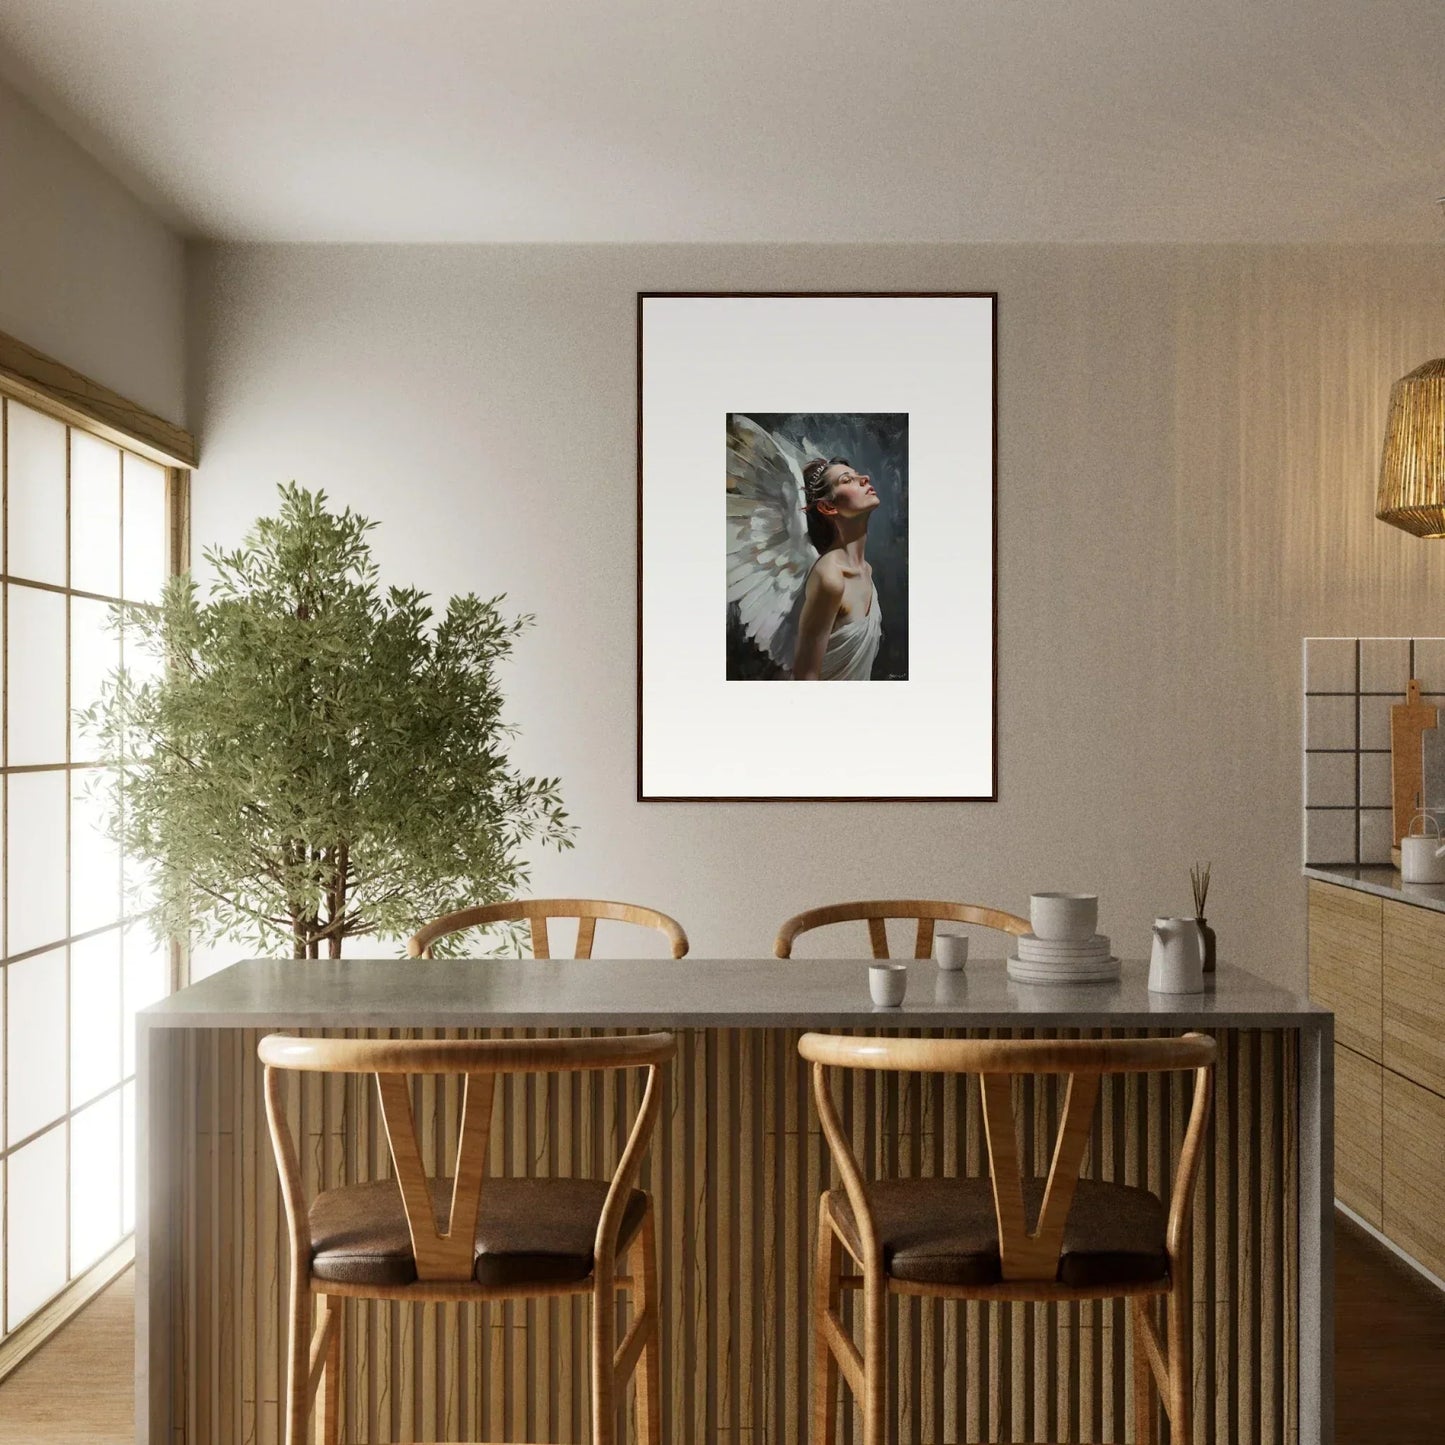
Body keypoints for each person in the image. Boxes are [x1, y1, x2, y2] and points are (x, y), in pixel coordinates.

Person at [793, 456, 883, 680]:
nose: (865, 478)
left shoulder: (866, 570)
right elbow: (806, 677)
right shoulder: (830, 577)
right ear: (827, 506)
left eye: (857, 475)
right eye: (847, 480)